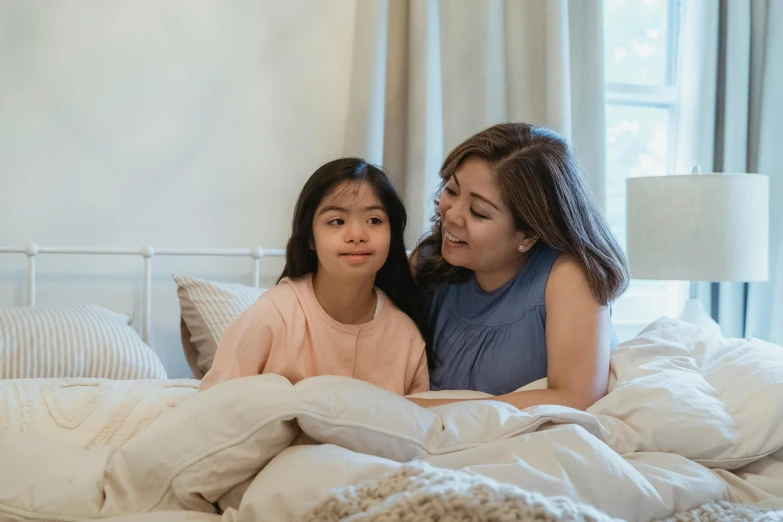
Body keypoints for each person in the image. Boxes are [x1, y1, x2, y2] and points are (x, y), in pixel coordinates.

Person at [409, 123, 629, 410]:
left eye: (478, 212)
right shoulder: (428, 262)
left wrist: (419, 410)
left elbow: (576, 397)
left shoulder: (568, 277)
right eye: (452, 190)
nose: (452, 215)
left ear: (528, 234)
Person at [201, 158, 429, 396]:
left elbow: (416, 426)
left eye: (374, 220)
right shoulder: (271, 315)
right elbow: (215, 410)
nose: (357, 235)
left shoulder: (405, 336)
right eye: (337, 221)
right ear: (310, 237)